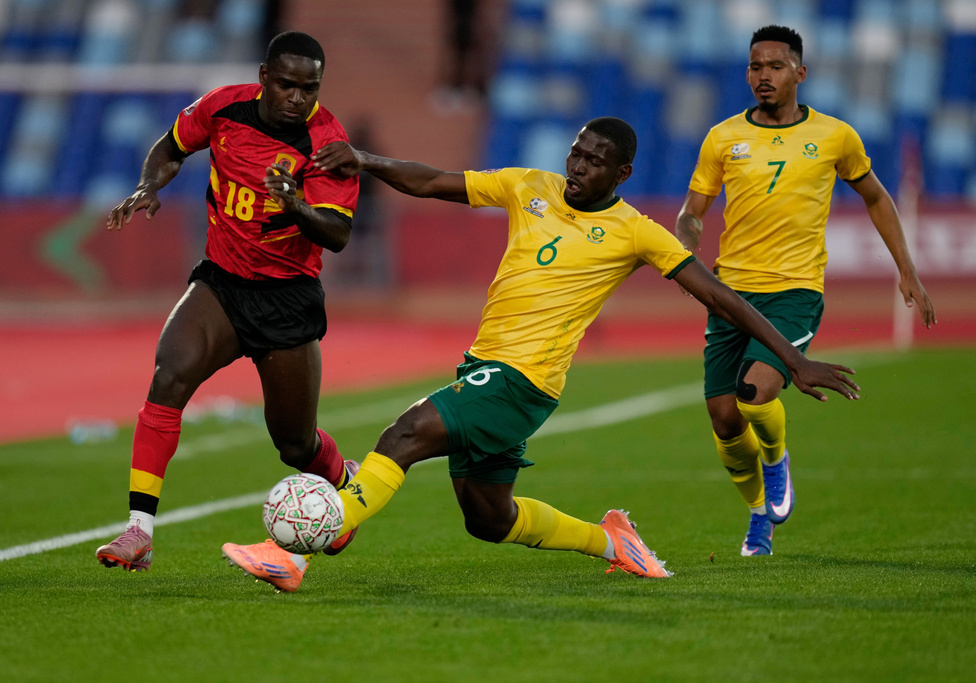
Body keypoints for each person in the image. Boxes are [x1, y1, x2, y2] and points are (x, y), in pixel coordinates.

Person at [220, 116, 862, 593]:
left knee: (405, 433)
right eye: (576, 152)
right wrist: (366, 159)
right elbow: (436, 182)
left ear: (621, 174)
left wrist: (792, 358)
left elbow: (721, 298)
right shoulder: (530, 185)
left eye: (594, 159)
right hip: (484, 367)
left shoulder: (637, 231)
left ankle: (301, 550)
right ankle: (610, 540)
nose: (578, 165)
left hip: (523, 380)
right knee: (488, 518)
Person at [96, 31, 362, 572]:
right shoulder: (223, 107)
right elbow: (171, 147)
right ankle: (138, 533)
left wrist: (295, 204)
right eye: (286, 84)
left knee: (294, 444)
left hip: (287, 297)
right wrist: (151, 185)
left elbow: (336, 233)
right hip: (221, 283)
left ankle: (344, 482)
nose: (297, 97)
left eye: (308, 87)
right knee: (169, 375)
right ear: (264, 77)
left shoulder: (326, 143)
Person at [674, 25, 937, 557]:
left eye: (774, 66)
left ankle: (776, 463)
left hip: (794, 290)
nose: (762, 76)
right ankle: (758, 519)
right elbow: (692, 211)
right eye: (754, 66)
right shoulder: (722, 137)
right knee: (725, 420)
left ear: (800, 72)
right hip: (730, 294)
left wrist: (906, 269)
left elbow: (878, 198)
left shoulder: (836, 136)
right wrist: (686, 244)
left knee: (756, 394)